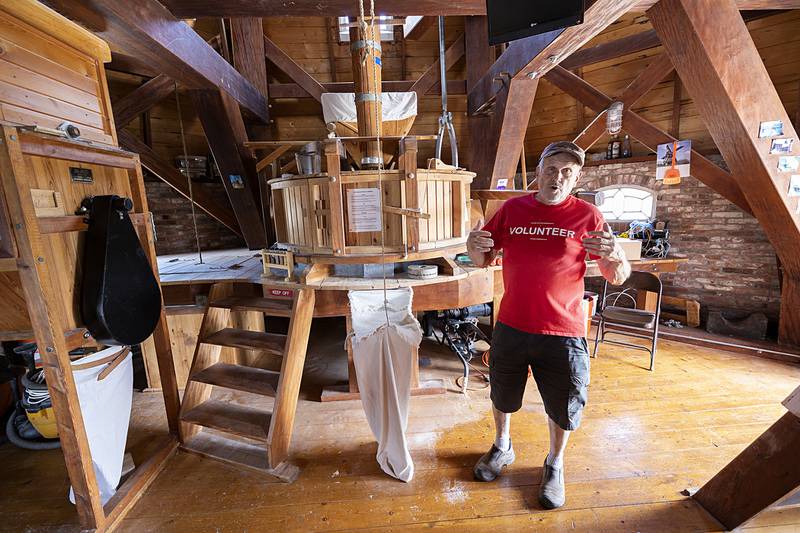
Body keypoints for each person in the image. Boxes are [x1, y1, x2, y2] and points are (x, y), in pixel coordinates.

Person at [467, 141, 631, 509]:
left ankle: (555, 463)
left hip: (564, 330)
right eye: (552, 169)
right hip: (512, 324)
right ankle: (502, 446)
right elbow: (481, 257)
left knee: (564, 403)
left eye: (567, 172)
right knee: (503, 393)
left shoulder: (588, 217)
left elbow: (617, 277)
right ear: (539, 172)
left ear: (576, 179)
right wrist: (472, 243)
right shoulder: (513, 209)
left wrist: (616, 254)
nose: (558, 177)